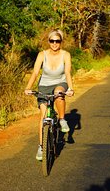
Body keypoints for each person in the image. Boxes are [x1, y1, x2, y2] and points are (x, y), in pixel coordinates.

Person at [25, 29, 74, 160]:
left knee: (58, 93)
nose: (54, 43)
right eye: (52, 41)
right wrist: (28, 87)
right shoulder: (42, 55)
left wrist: (70, 88)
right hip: (44, 85)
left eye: (57, 41)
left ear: (61, 42)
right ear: (48, 41)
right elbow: (35, 73)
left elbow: (68, 73)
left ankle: (62, 120)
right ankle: (41, 146)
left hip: (60, 83)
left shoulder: (66, 55)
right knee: (43, 115)